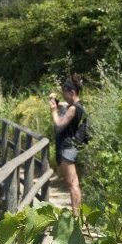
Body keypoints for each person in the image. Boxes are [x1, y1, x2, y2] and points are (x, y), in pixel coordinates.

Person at [49, 75, 85, 216]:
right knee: (73, 184)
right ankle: (77, 215)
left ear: (72, 92)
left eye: (65, 94)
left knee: (72, 185)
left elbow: (59, 125)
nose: (64, 98)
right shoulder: (78, 106)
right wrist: (55, 102)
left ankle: (76, 217)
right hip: (70, 148)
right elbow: (62, 105)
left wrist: (53, 111)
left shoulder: (73, 109)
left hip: (67, 149)